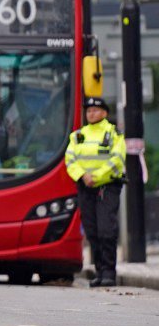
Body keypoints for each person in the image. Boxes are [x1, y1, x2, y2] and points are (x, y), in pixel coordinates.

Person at [65, 97, 126, 288]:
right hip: (86, 187)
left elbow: (116, 159)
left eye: (95, 110)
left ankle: (109, 272)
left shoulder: (113, 133)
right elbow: (70, 159)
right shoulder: (78, 135)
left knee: (106, 229)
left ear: (104, 113)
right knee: (92, 231)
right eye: (88, 111)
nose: (91, 114)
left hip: (107, 187)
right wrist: (83, 176)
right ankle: (99, 271)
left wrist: (96, 176)